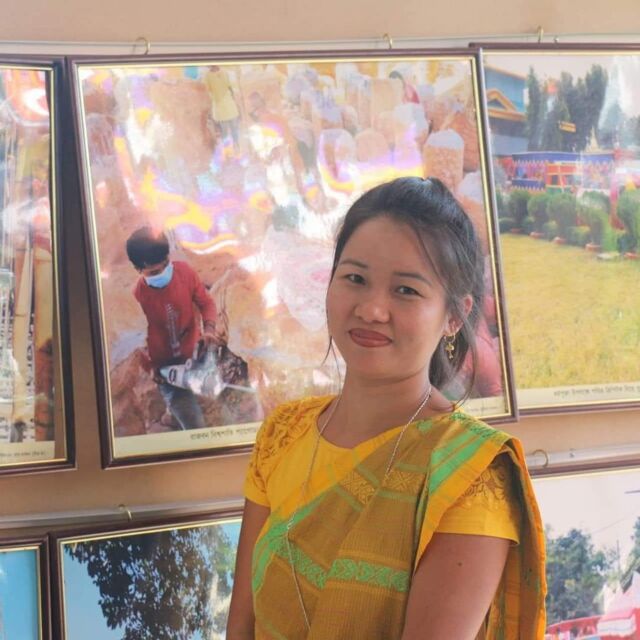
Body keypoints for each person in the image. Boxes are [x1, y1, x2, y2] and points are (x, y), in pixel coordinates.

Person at [227, 177, 546, 639]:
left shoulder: (469, 474)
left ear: (453, 315)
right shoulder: (283, 434)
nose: (372, 309)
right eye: (355, 278)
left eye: (406, 290)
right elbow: (241, 624)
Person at [126, 226, 221, 430]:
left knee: (219, 409)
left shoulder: (184, 273)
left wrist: (209, 329)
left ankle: (173, 415)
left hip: (195, 358)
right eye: (154, 272)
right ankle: (176, 412)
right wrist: (151, 368)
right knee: (195, 426)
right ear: (138, 270)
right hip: (167, 373)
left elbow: (206, 303)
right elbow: (136, 345)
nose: (163, 272)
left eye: (166, 264)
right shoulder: (137, 298)